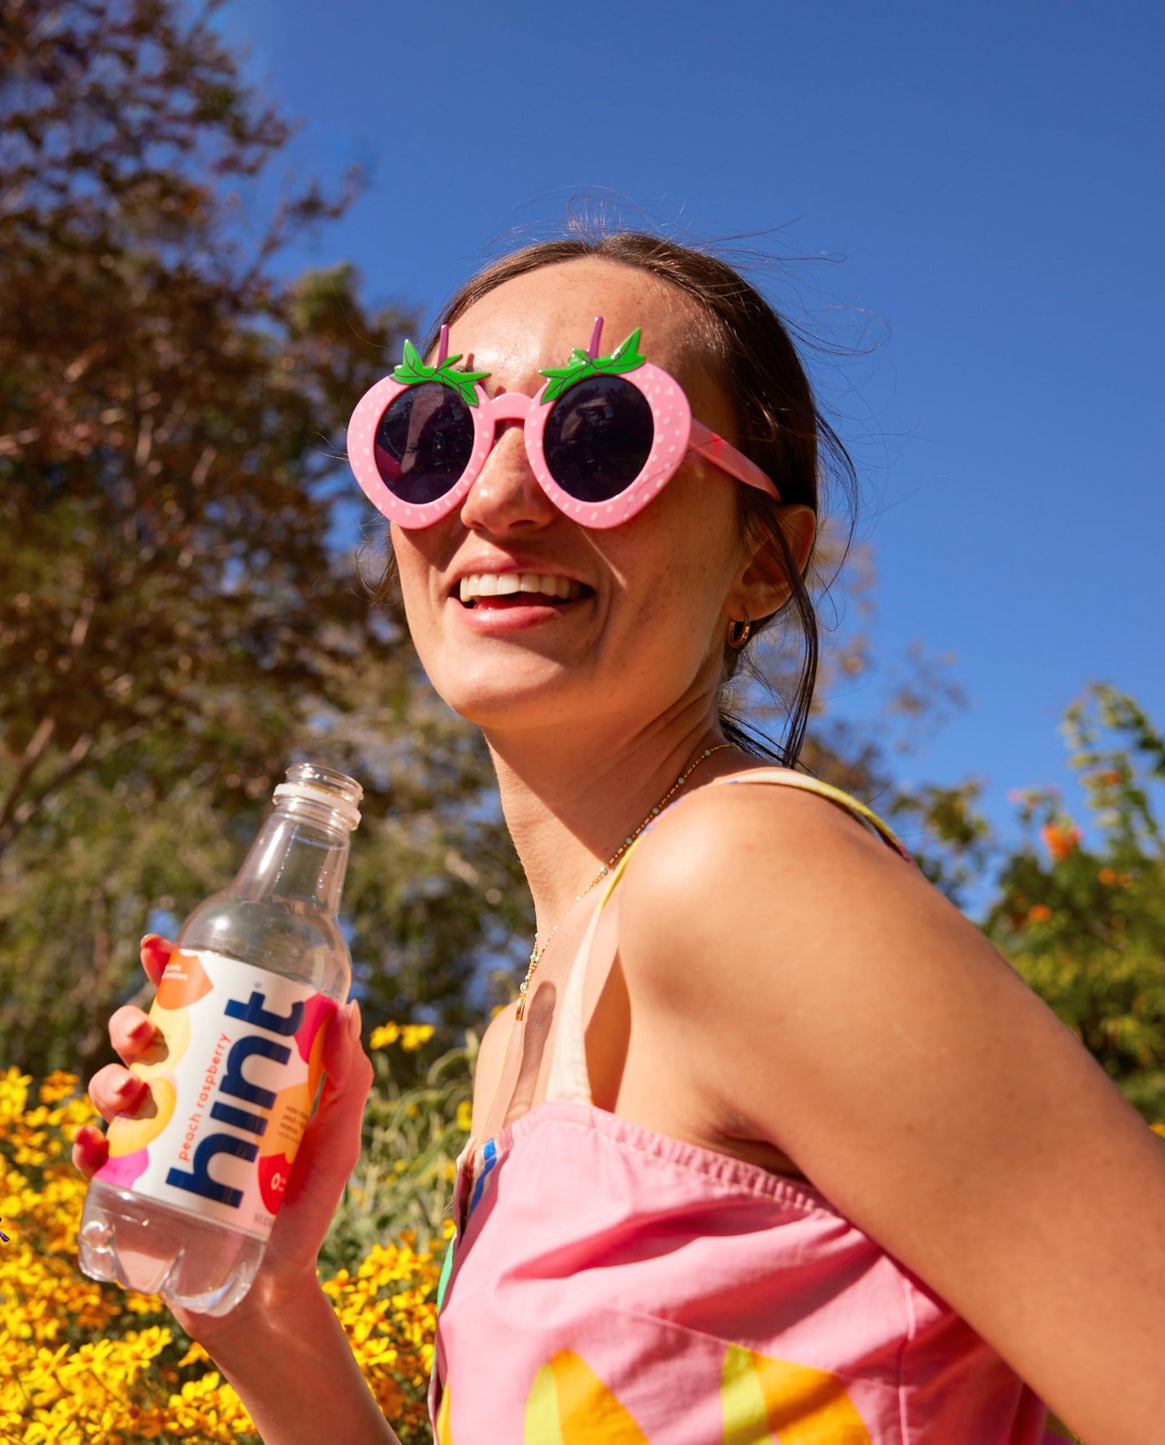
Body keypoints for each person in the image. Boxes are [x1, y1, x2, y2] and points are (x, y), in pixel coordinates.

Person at [74, 230, 1165, 1444]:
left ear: (763, 560)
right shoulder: (521, 1036)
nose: (492, 498)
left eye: (599, 439)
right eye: (433, 436)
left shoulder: (738, 882)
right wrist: (265, 1301)